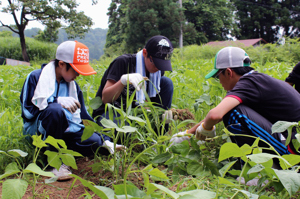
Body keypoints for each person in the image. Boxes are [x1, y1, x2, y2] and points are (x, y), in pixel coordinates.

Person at [20, 41, 123, 180]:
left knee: (94, 142)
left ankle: (63, 150)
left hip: (66, 129)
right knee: (55, 111)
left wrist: (105, 140)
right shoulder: (36, 78)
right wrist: (55, 101)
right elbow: (27, 112)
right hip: (38, 131)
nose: (78, 75)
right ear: (61, 64)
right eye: (76, 70)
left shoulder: (73, 87)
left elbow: (83, 117)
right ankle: (51, 163)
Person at [171, 46, 300, 157]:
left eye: (217, 76)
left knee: (233, 113)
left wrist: (206, 129)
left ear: (228, 72)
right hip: (292, 142)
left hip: (292, 150)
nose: (219, 81)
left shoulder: (248, 83)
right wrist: (188, 133)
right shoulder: (255, 80)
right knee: (232, 111)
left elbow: (215, 115)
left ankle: (259, 169)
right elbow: (216, 115)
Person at [92, 35, 174, 137]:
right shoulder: (123, 62)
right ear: (145, 53)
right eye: (156, 63)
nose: (158, 68)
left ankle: (159, 132)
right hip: (112, 112)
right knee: (123, 133)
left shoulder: (157, 71)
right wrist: (122, 81)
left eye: (161, 64)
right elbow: (106, 99)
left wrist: (158, 113)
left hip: (134, 112)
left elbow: (148, 98)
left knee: (166, 83)